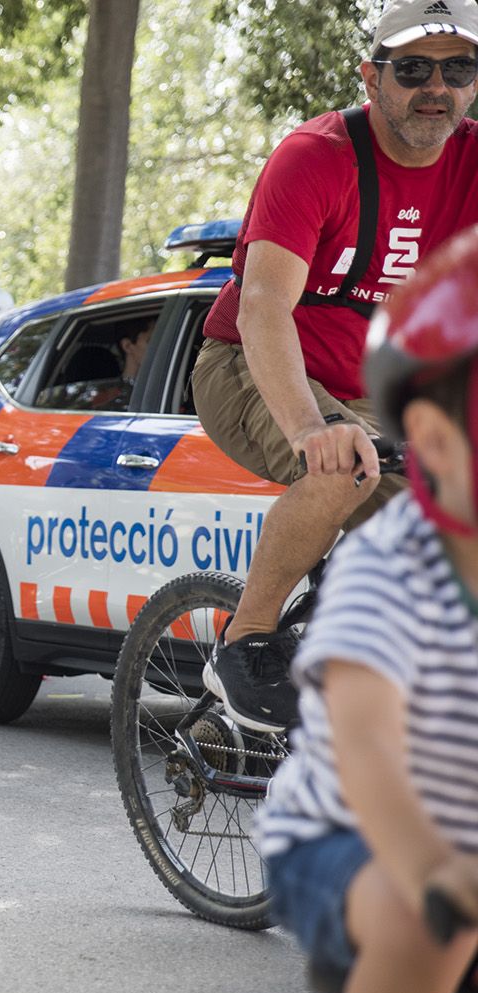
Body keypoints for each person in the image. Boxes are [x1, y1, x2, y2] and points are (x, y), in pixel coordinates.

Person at [193, 0, 478, 732]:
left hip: (380, 387)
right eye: (413, 69)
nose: (436, 89)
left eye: (459, 70)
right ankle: (244, 643)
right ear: (372, 76)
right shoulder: (317, 157)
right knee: (343, 463)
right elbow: (262, 309)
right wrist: (309, 424)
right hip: (250, 366)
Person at [256, 224, 478, 993]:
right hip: (346, 836)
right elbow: (367, 745)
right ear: (437, 438)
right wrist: (434, 867)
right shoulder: (395, 568)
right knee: (422, 916)